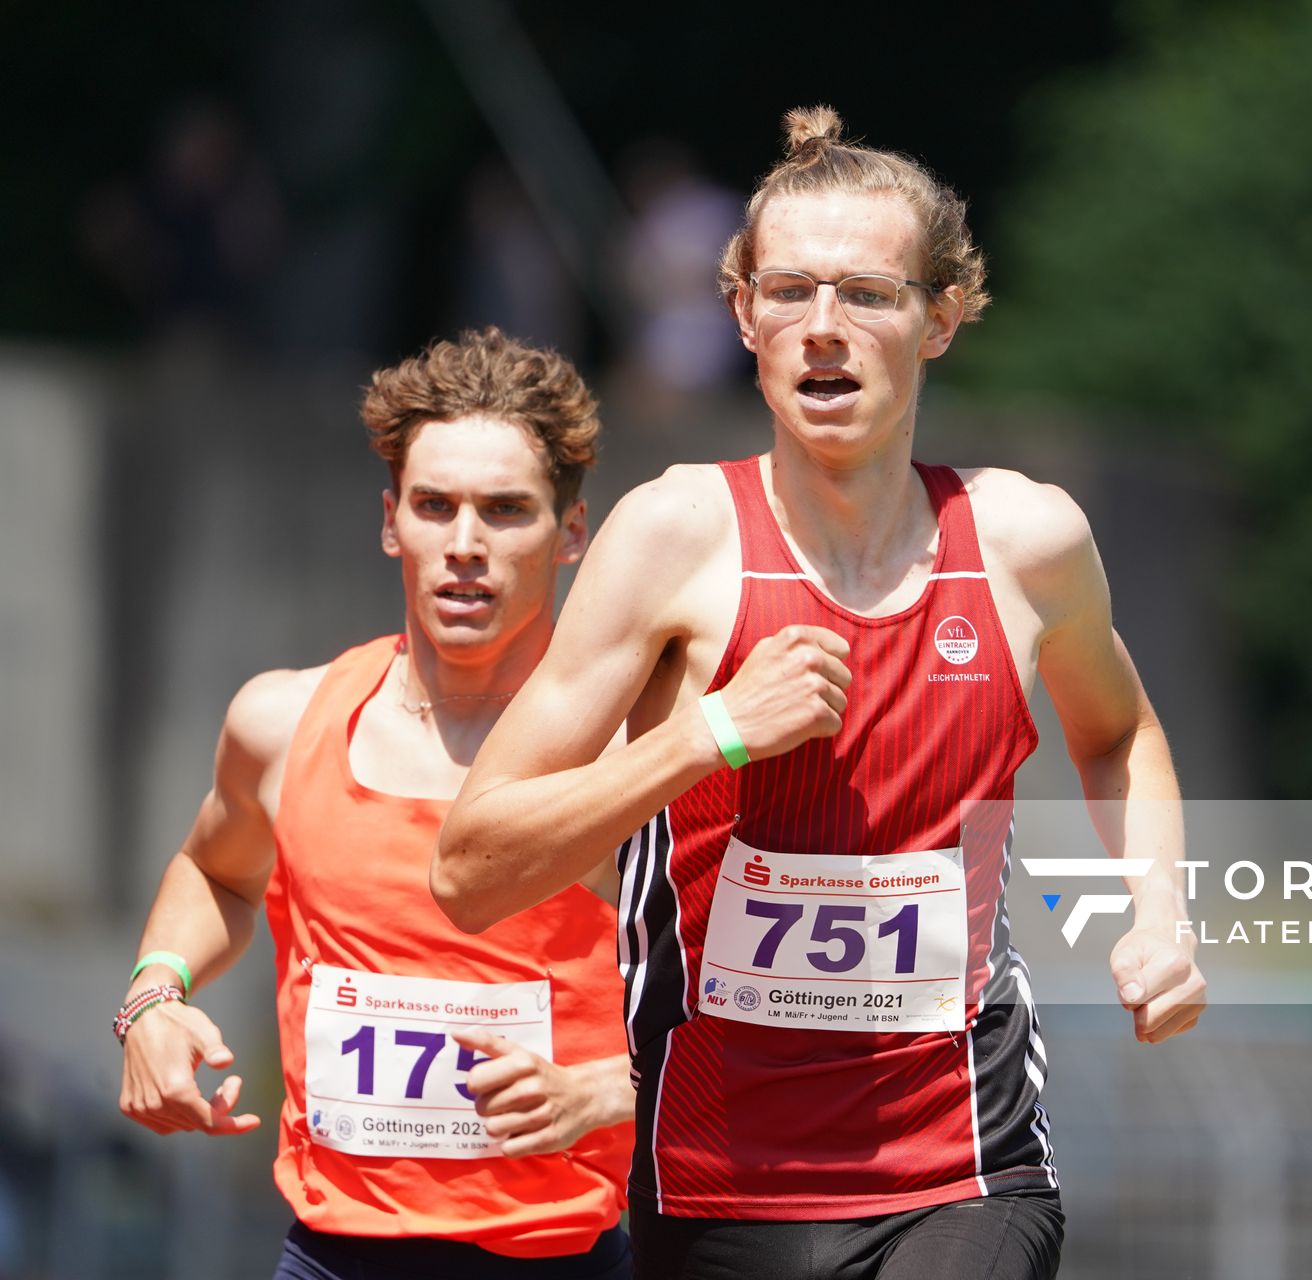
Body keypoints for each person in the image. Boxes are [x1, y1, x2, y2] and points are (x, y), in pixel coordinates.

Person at [433, 106, 1208, 1280]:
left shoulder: (1024, 539)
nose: (824, 331)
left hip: (963, 1164)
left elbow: (1121, 734)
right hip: (715, 1177)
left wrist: (1156, 910)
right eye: (788, 292)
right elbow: (472, 866)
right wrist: (708, 732)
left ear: (941, 316)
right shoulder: (674, 539)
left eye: (869, 294)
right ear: (741, 315)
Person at [116, 327, 637, 1279]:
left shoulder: (635, 754)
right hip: (333, 1254)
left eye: (507, 511)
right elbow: (215, 870)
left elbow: (760, 1016)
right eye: (436, 506)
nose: (466, 546)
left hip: (565, 1252)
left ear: (571, 535)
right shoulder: (281, 721)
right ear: (392, 521)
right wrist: (153, 996)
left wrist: (607, 1092)